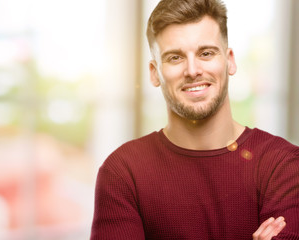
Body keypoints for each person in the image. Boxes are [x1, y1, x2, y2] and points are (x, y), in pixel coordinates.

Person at [90, 0, 299, 239]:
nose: (192, 70)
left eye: (206, 53)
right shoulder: (122, 173)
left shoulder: (284, 165)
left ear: (229, 60)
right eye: (175, 58)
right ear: (154, 72)